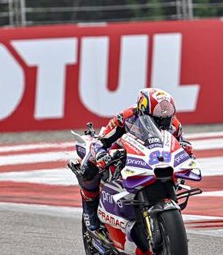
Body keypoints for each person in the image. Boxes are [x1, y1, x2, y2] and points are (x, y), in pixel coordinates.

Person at [77, 88, 195, 232]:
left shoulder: (173, 124)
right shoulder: (125, 117)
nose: (163, 121)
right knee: (89, 167)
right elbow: (102, 141)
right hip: (121, 154)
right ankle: (89, 208)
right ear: (143, 111)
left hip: (153, 159)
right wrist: (102, 153)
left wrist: (187, 152)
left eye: (167, 115)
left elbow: (182, 143)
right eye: (157, 117)